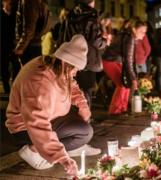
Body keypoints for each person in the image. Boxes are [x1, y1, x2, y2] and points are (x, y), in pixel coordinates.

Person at [5, 35, 101, 175]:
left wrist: (83, 107)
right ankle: (33, 151)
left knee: (85, 129)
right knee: (84, 132)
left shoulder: (56, 66)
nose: (76, 73)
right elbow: (37, 122)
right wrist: (62, 158)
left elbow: (72, 86)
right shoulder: (40, 81)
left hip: (49, 118)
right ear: (66, 63)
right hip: (24, 128)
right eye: (75, 69)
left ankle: (70, 147)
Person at [61, 0, 109, 110]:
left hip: (71, 54)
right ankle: (85, 117)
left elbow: (64, 35)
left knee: (74, 86)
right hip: (88, 56)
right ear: (92, 2)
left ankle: (75, 116)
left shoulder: (71, 14)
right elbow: (95, 40)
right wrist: (105, 42)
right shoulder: (91, 16)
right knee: (86, 88)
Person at [102, 20, 146, 115]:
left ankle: (122, 108)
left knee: (125, 84)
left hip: (115, 60)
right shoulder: (129, 38)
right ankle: (115, 111)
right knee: (122, 84)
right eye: (141, 31)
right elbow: (128, 60)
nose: (143, 34)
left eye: (145, 32)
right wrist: (133, 78)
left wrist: (132, 78)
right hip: (109, 60)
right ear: (134, 29)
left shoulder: (129, 36)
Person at [14, 0, 50, 65]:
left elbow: (29, 28)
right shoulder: (41, 2)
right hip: (35, 45)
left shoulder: (29, 2)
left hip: (29, 47)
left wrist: (20, 47)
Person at [1, 0, 16, 94]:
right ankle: (6, 88)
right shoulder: (2, 15)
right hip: (3, 46)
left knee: (14, 67)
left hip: (12, 46)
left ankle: (13, 88)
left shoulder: (13, 15)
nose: (11, 5)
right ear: (4, 3)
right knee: (4, 67)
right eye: (9, 3)